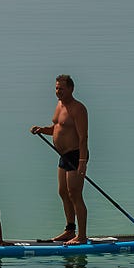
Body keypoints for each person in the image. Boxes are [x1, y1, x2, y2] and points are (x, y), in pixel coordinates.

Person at [30, 73, 89, 243]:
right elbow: (57, 128)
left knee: (75, 194)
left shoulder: (78, 109)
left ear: (71, 88)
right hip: (63, 155)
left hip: (76, 154)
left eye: (61, 88)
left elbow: (83, 137)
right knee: (63, 192)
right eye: (56, 88)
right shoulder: (59, 105)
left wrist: (82, 162)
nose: (58, 91)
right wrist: (42, 129)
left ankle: (82, 236)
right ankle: (70, 230)